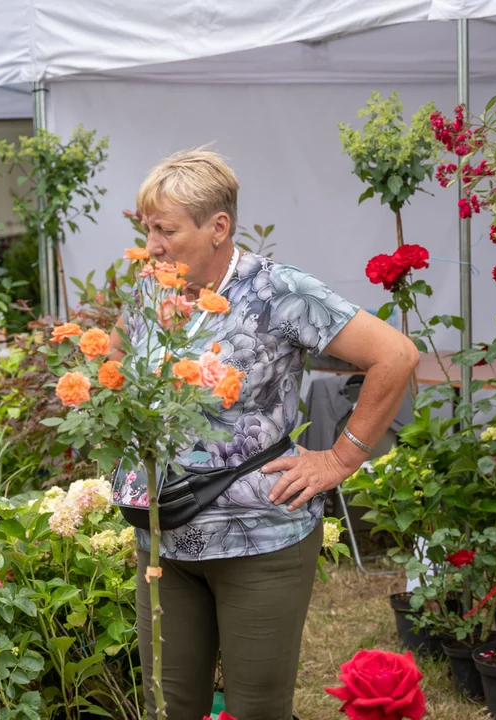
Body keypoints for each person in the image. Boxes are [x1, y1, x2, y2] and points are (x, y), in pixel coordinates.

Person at [111, 151, 418, 720]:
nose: (152, 245)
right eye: (147, 228)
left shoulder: (278, 290)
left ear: (218, 227)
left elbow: (395, 355)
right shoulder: (151, 290)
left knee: (256, 709)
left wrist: (340, 458)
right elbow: (118, 361)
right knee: (169, 706)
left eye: (166, 230)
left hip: (258, 538)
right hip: (163, 539)